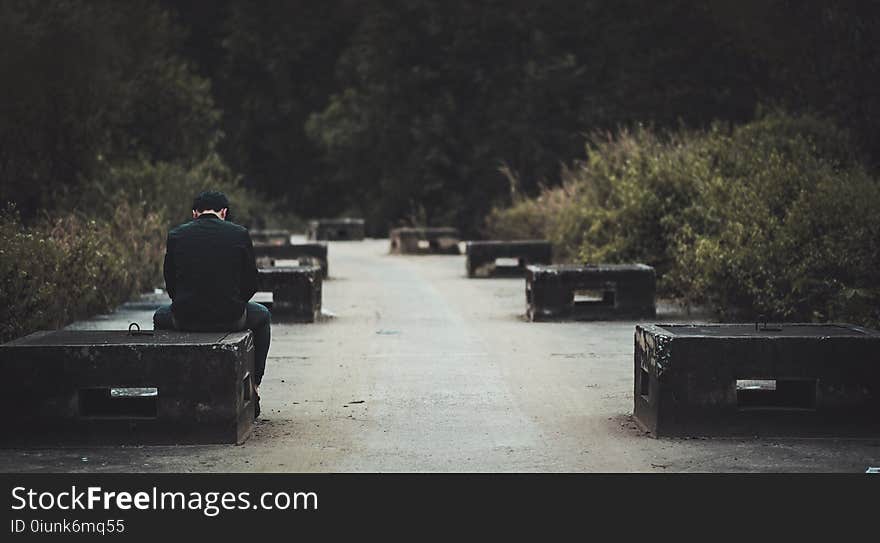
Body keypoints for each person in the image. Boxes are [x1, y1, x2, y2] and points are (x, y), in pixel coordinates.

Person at [153, 190, 270, 419]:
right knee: (263, 316)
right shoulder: (240, 234)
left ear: (195, 213)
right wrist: (234, 302)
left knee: (159, 317)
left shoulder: (176, 235)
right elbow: (252, 283)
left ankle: (168, 387)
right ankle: (254, 385)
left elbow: (171, 285)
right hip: (231, 318)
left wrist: (186, 303)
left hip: (185, 319)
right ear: (224, 213)